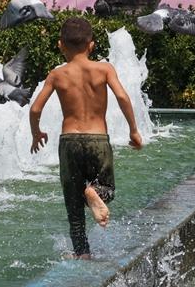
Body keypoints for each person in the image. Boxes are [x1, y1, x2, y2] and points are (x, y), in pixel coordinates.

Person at [29, 17, 143, 260]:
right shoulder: (104, 69)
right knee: (107, 189)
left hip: (69, 141)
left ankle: (82, 253)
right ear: (91, 45)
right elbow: (122, 97)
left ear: (60, 45)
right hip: (97, 139)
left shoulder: (57, 74)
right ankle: (95, 192)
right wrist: (133, 130)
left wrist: (36, 133)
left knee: (73, 205)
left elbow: (35, 108)